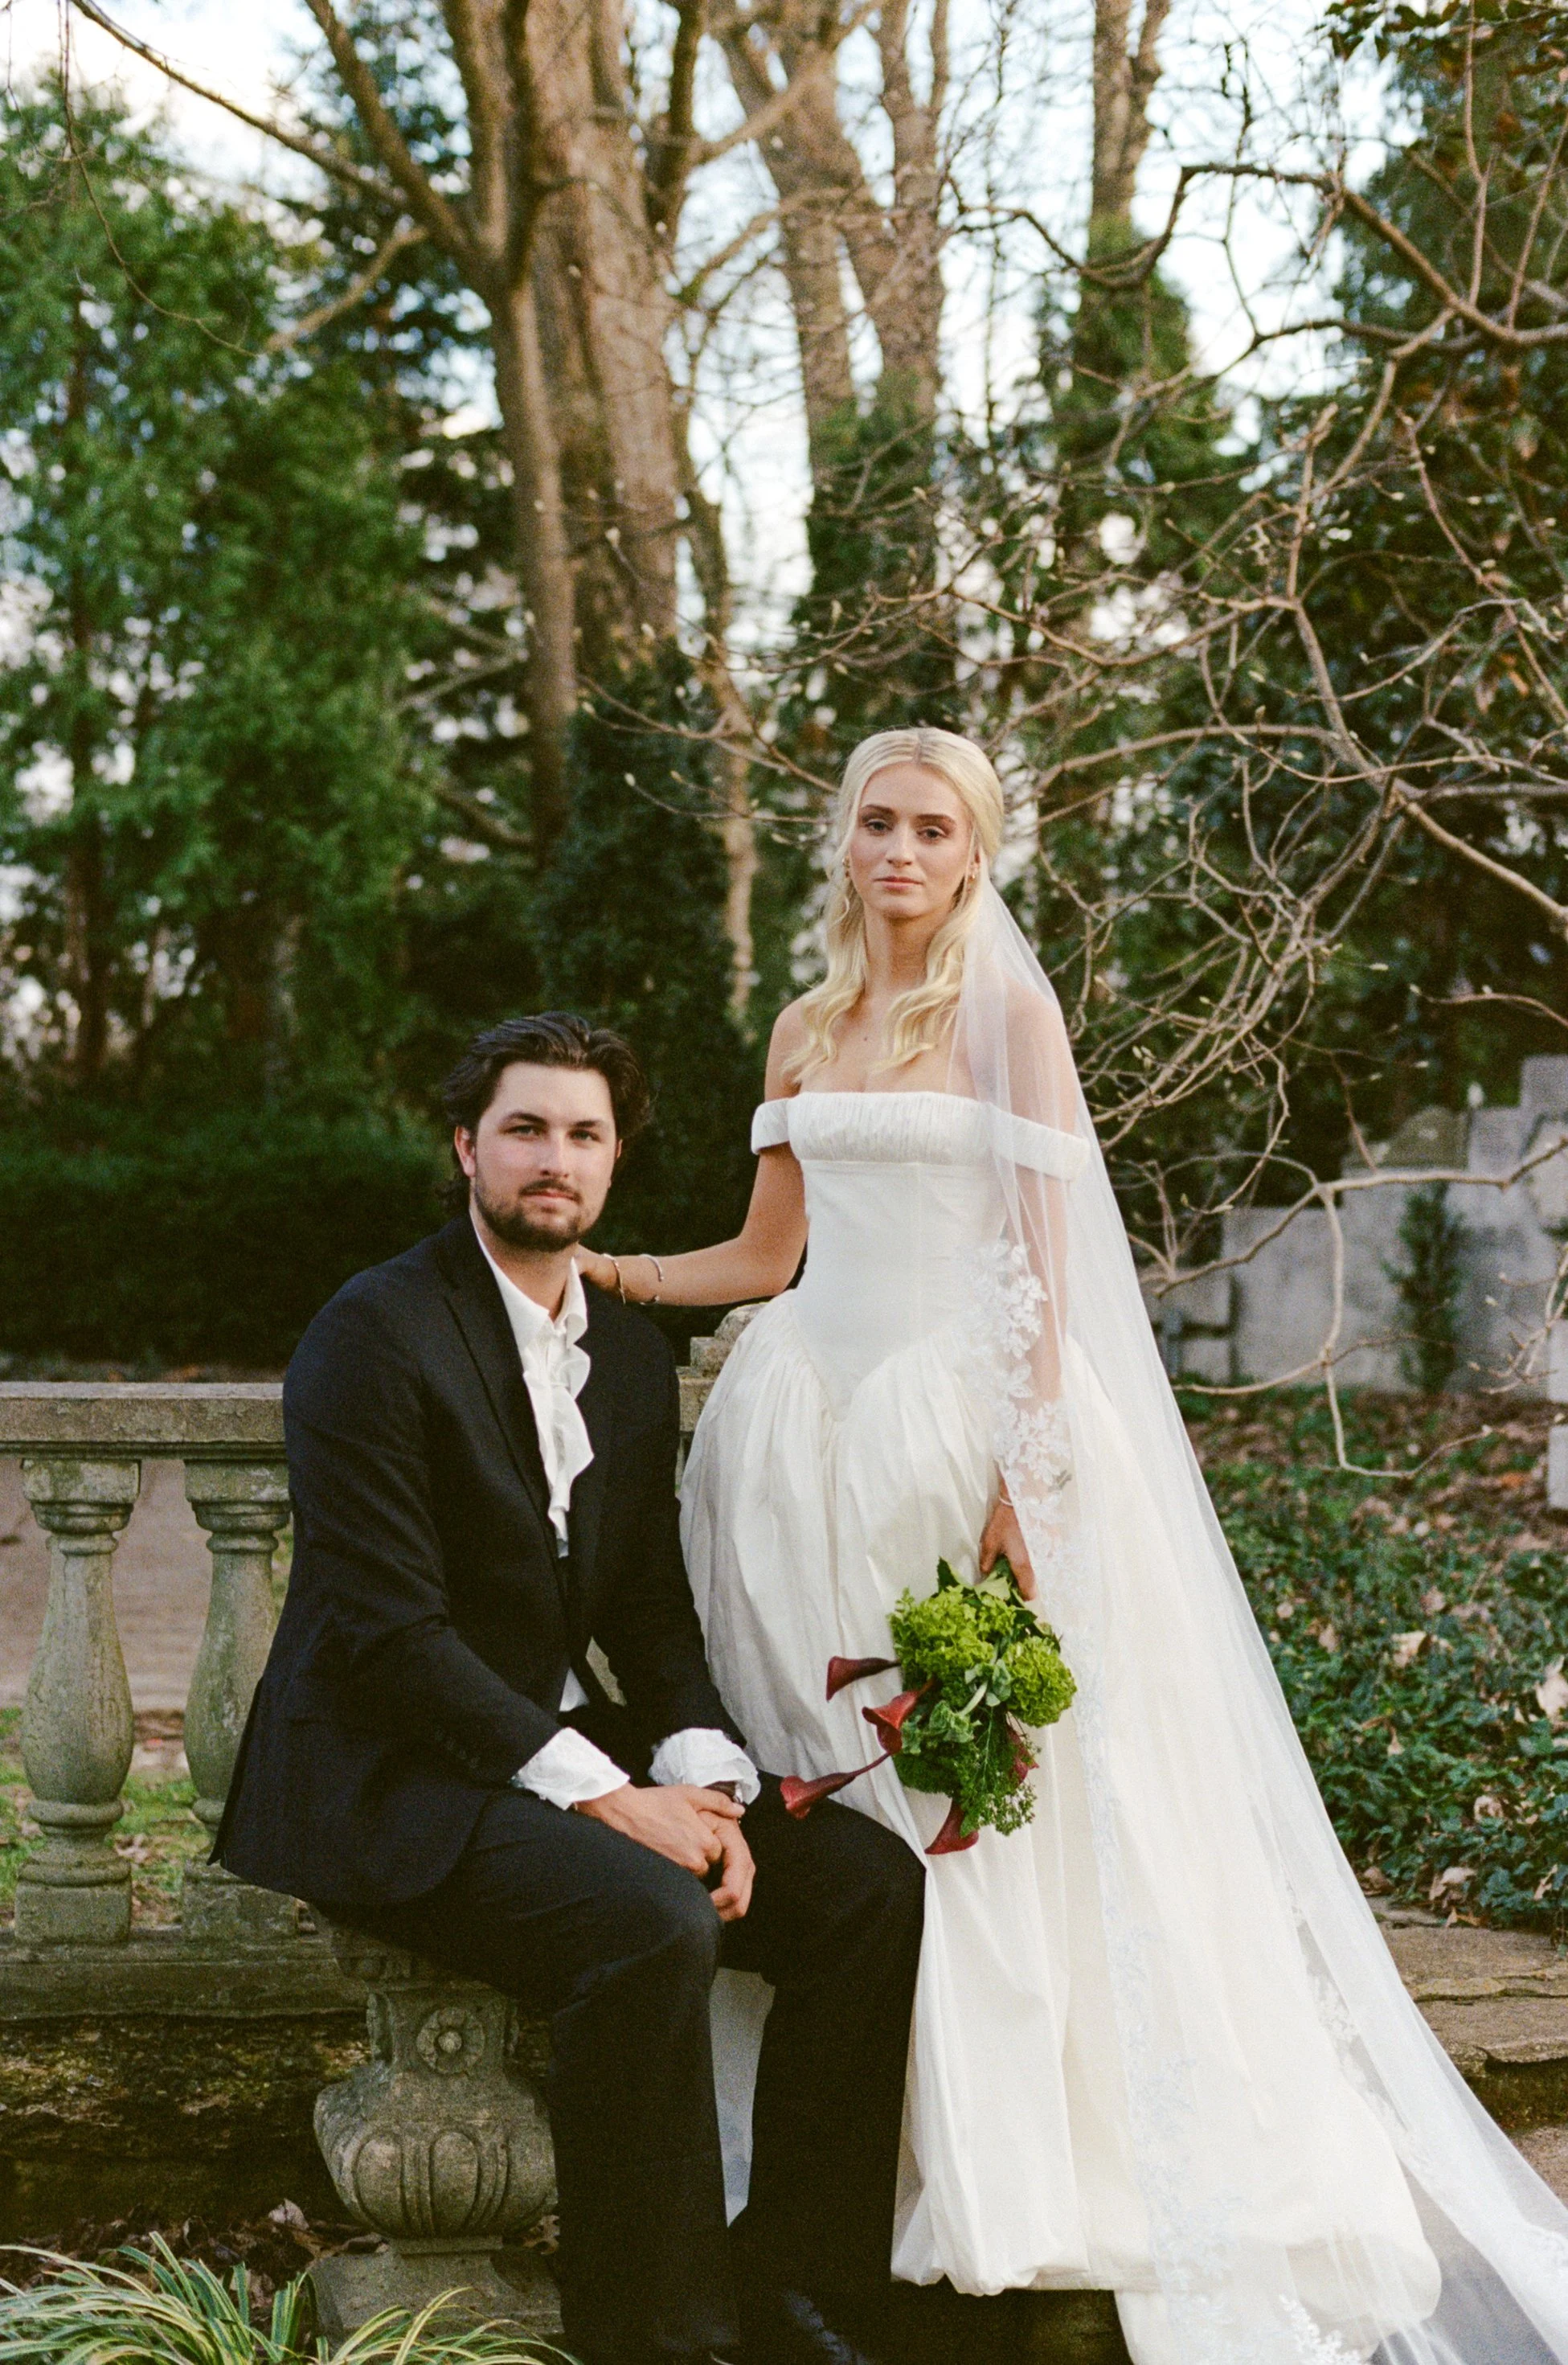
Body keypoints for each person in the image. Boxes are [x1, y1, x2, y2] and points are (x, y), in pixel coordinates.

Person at [577, 726, 1568, 2365]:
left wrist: (1021, 1489)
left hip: (957, 1437)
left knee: (990, 1810)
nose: (900, 850)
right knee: (842, 1790)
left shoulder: (1005, 1013)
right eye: (877, 822)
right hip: (795, 1451)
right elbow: (766, 1251)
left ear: (976, 853)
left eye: (932, 827)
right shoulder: (808, 1023)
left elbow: (1043, 1269)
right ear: (845, 843)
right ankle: (852, 2169)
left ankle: (1009, 2174)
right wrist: (613, 1278)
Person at [215, 1013, 926, 2365]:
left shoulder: (633, 1356)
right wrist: (614, 1798)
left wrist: (708, 1780)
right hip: (388, 1770)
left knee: (864, 1887)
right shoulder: (374, 1331)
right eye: (527, 1128)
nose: (557, 1158)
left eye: (585, 1134)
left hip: (536, 1748)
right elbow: (385, 1635)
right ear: (465, 1146)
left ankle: (795, 2280)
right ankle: (658, 2335)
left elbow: (648, 1603)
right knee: (651, 1917)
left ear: (614, 1163)